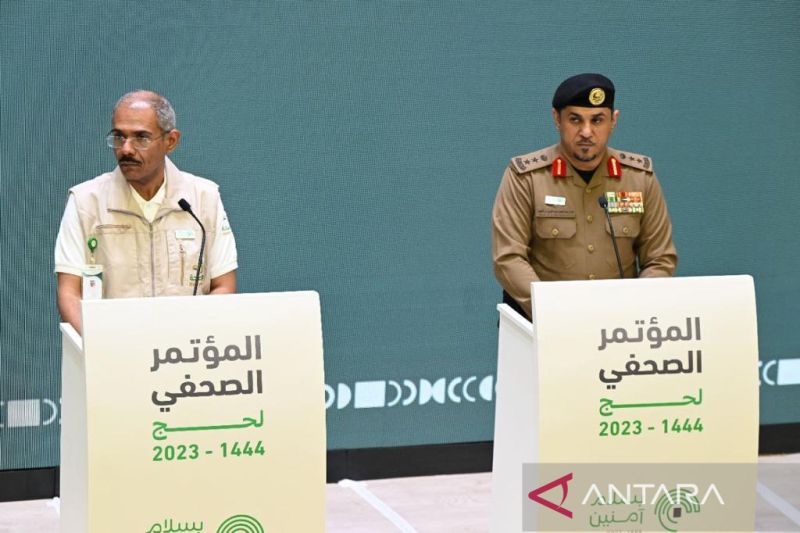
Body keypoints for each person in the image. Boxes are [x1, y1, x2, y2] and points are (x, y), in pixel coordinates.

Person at [491, 73, 677, 320]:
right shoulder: (526, 177)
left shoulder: (639, 177)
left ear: (613, 120)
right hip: (544, 323)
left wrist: (634, 311)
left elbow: (659, 259)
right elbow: (508, 258)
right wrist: (553, 313)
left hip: (618, 325)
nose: (586, 132)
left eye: (597, 120)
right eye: (575, 119)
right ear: (557, 119)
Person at [54, 90, 237, 332]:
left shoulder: (204, 198)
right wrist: (101, 344)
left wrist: (186, 340)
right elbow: (69, 293)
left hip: (184, 348)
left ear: (170, 141)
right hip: (113, 345)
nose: (126, 149)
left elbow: (223, 286)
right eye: (119, 137)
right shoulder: (85, 201)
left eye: (141, 138)